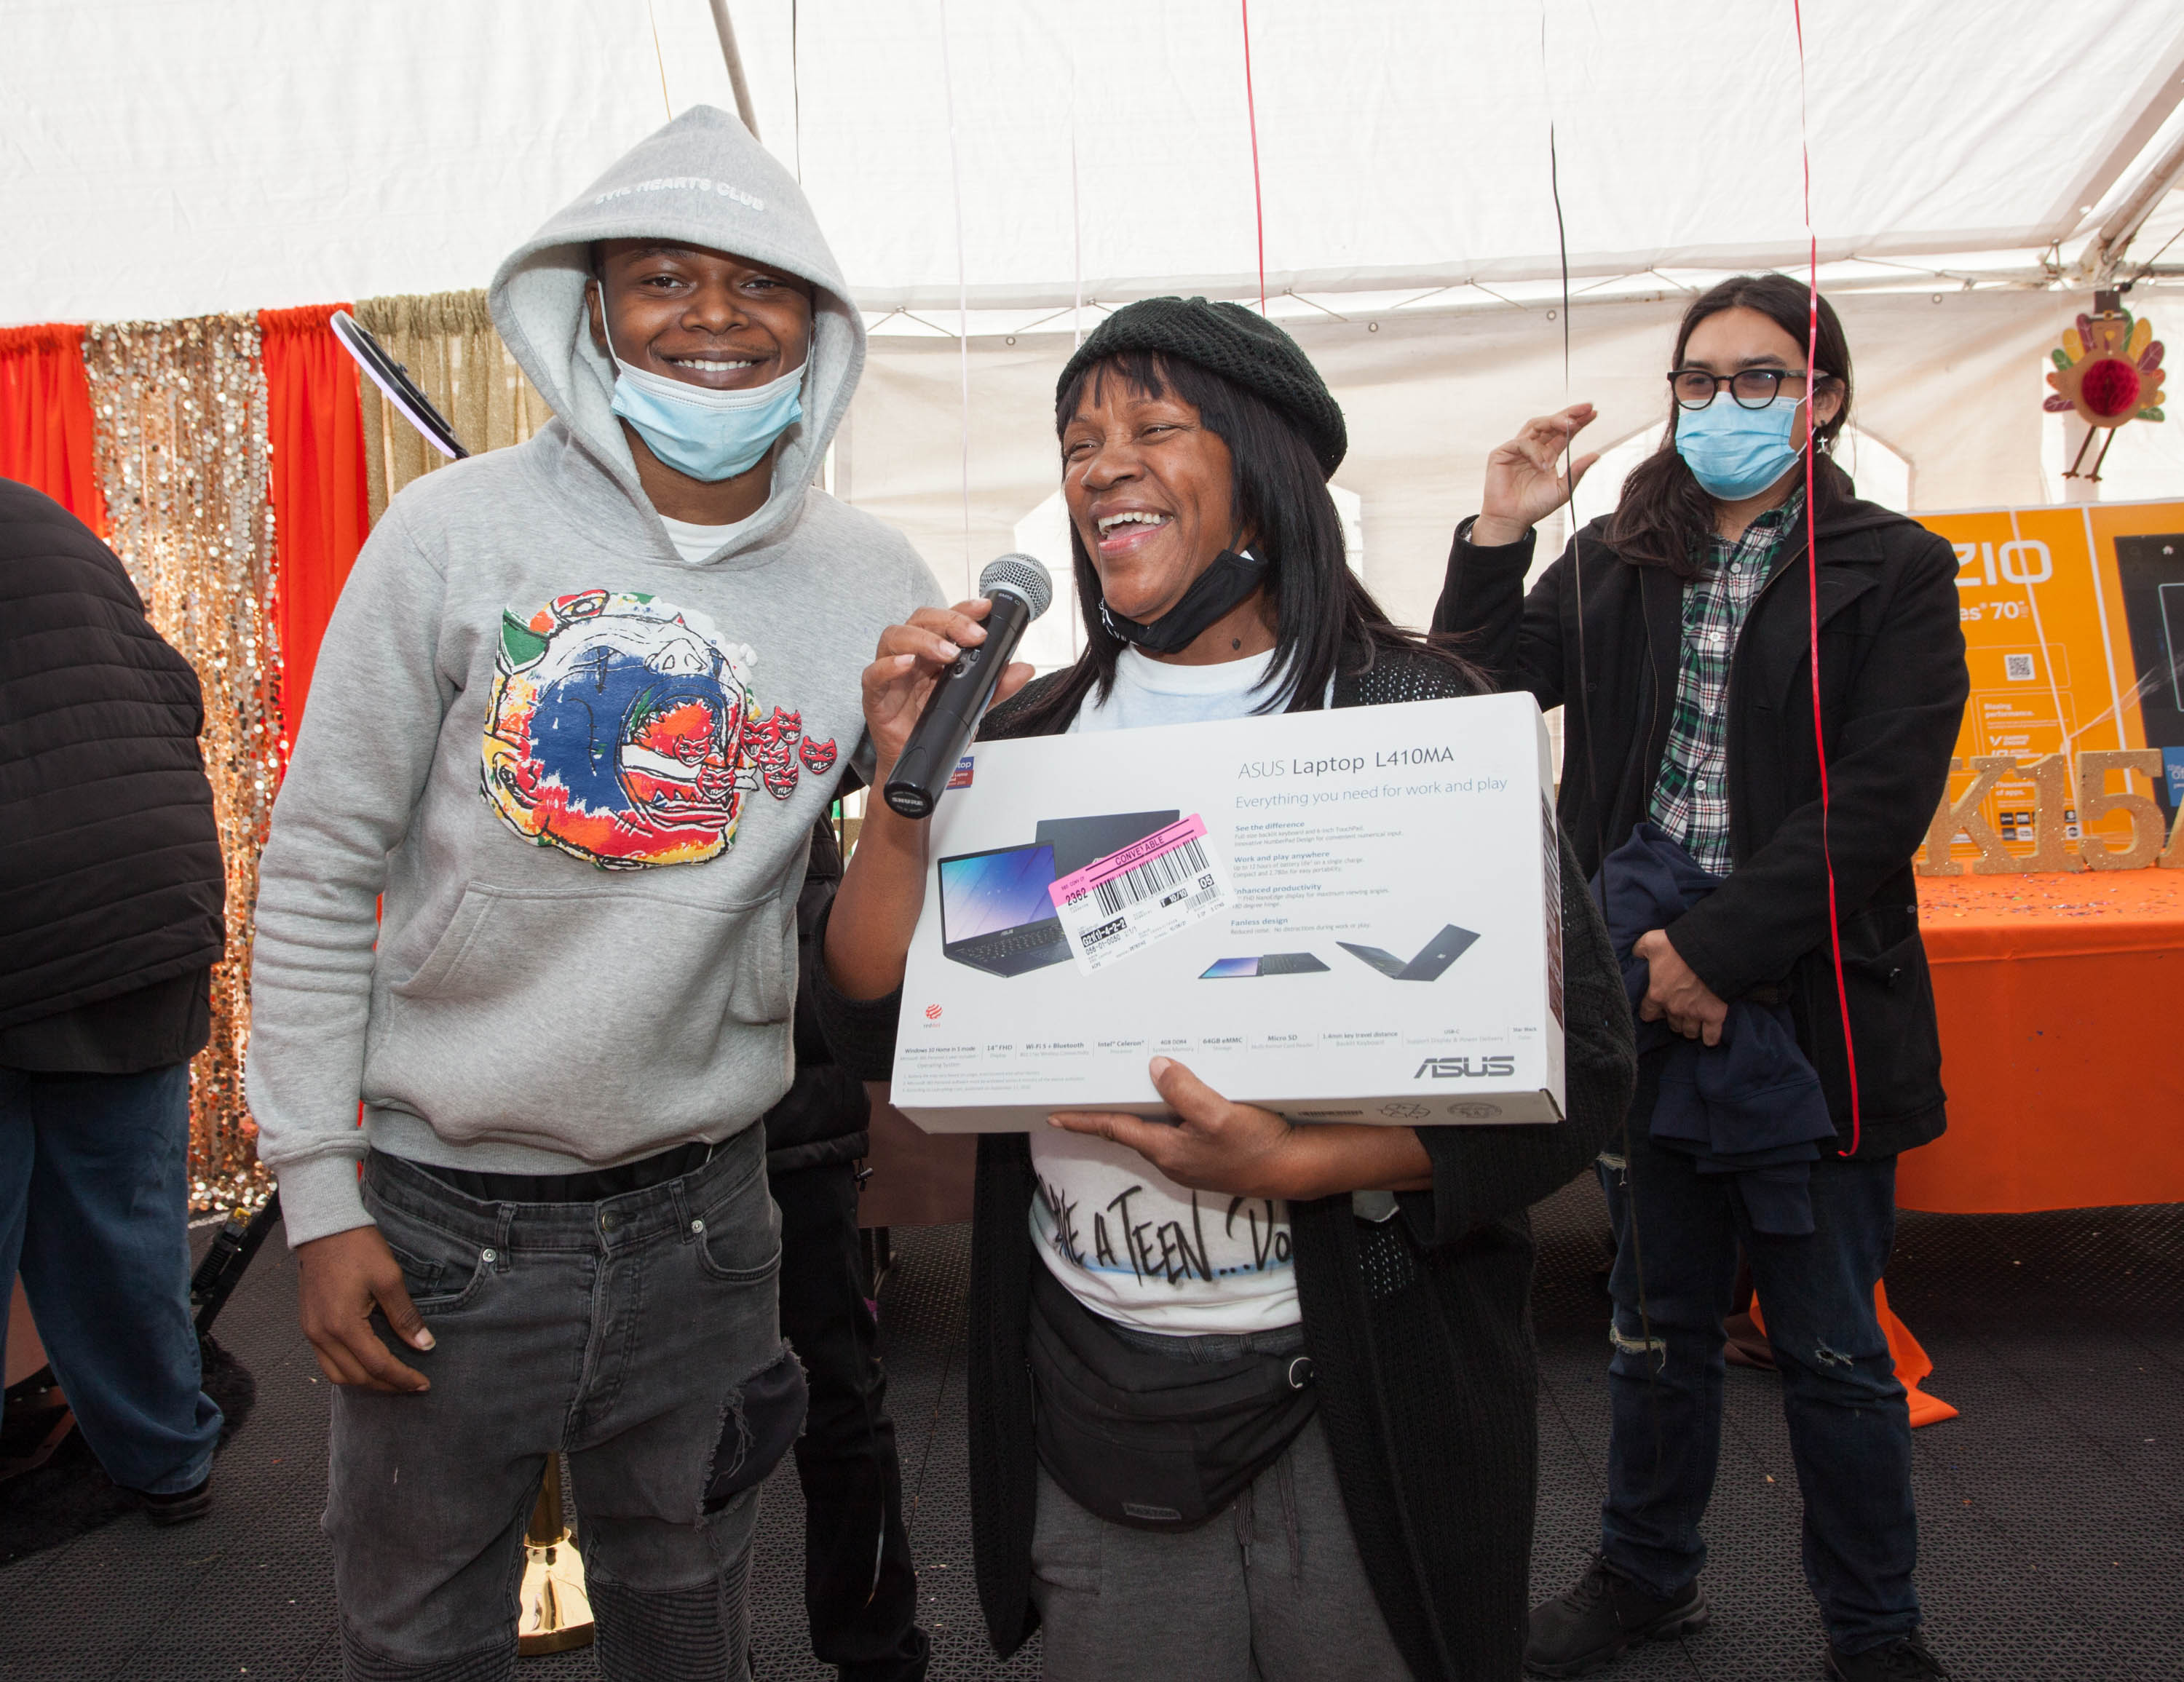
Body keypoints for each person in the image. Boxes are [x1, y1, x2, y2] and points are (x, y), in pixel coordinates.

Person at [814, 297, 1638, 1682]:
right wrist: (905, 799)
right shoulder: (1025, 737)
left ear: (1264, 467)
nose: (1100, 466)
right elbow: (876, 1020)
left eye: (1151, 427)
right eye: (1078, 443)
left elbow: (1584, 1072)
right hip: (1092, 1390)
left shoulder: (1411, 719)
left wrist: (1308, 1160)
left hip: (1364, 1380)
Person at [245, 107, 943, 1680]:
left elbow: (863, 937)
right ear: (595, 310)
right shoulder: (445, 536)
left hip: (710, 1218)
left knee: (689, 1620)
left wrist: (913, 780)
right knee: (417, 1637)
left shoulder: (874, 579)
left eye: (756, 283)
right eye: (662, 278)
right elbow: (313, 873)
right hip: (440, 1215)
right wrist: (316, 1192)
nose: (711, 315)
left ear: (816, 324)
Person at [1433, 274, 1965, 1682]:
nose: (1722, 405)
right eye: (1697, 380)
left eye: (1759, 379)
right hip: (1641, 1007)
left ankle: (1877, 1631)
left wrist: (1717, 951)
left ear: (1823, 398)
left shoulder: (1896, 568)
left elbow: (1883, 794)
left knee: (1837, 1348)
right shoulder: (1612, 553)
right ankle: (1645, 1577)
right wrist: (1500, 527)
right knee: (1651, 1329)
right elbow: (1462, 693)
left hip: (1811, 1002)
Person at [0, 475, 226, 1524]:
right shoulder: (41, 515)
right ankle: (167, 1459)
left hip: (31, 905)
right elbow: (172, 689)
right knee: (124, 1212)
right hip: (140, 897)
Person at [764, 814, 927, 1682]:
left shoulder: (816, 693)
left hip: (795, 1119)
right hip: (655, 1136)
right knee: (669, 1435)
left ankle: (878, 1655)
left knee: (838, 1409)